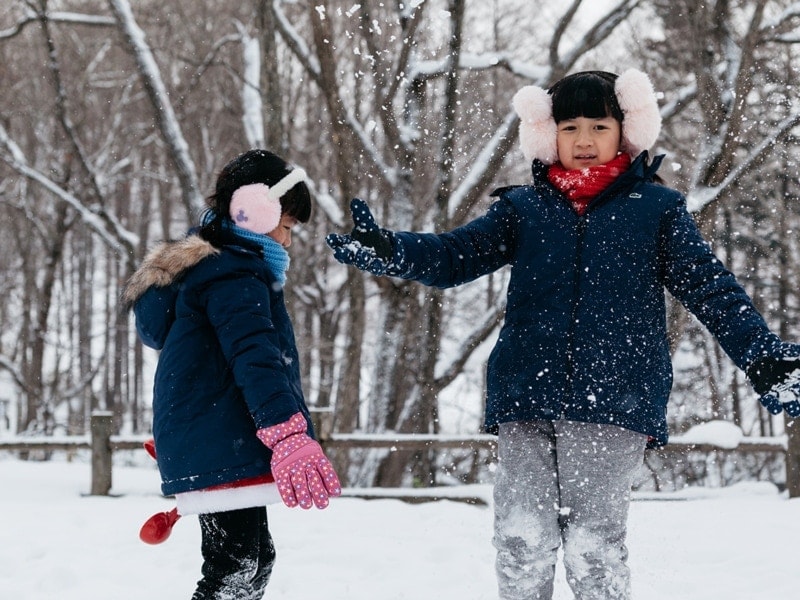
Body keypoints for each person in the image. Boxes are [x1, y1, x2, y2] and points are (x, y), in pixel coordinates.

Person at [326, 69, 800, 599]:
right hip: (526, 392)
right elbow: (454, 255)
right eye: (570, 128)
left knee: (593, 545)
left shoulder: (656, 212)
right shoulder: (523, 210)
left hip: (614, 399)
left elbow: (711, 289)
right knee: (520, 538)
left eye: (599, 126)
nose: (585, 141)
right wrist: (393, 251)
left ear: (626, 130)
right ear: (549, 135)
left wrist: (763, 356)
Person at [124, 149, 341, 600]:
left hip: (219, 435)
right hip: (221, 436)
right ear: (255, 210)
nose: (288, 239)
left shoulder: (223, 267)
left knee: (253, 562)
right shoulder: (232, 273)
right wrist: (286, 433)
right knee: (236, 567)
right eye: (286, 225)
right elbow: (254, 356)